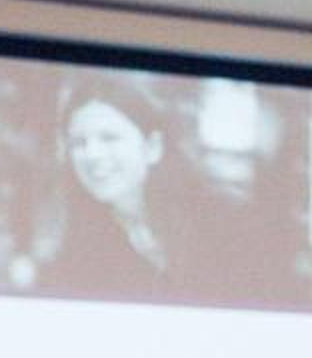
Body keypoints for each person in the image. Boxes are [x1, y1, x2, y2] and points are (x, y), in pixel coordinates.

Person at [35, 73, 292, 304]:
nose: (92, 155)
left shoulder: (224, 221)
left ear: (153, 147)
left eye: (109, 138)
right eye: (79, 143)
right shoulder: (79, 247)